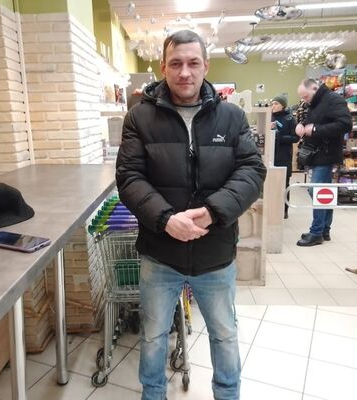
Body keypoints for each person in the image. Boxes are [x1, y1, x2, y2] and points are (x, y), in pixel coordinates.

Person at [115, 30, 266, 400]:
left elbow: (251, 171)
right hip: (160, 253)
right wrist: (167, 219)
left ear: (205, 66)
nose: (185, 72)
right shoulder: (139, 118)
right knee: (153, 335)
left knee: (224, 333)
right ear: (163, 67)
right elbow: (129, 177)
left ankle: (227, 395)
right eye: (176, 63)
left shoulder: (231, 117)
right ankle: (153, 395)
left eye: (193, 63)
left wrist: (214, 212)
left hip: (215, 252)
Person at [295, 78, 352, 246]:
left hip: (326, 153)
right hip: (316, 153)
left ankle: (316, 232)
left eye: (305, 96)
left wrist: (315, 129)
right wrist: (302, 126)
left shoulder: (334, 100)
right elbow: (316, 120)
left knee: (317, 191)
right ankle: (324, 229)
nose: (305, 100)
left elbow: (345, 125)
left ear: (314, 88)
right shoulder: (315, 102)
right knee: (323, 191)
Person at [271, 95, 298, 219]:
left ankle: (284, 210)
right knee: (271, 183)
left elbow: (296, 138)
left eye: (276, 103)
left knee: (284, 184)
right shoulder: (269, 117)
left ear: (283, 105)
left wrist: (279, 137)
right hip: (271, 156)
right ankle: (272, 209)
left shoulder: (290, 119)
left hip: (284, 156)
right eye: (272, 103)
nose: (273, 106)